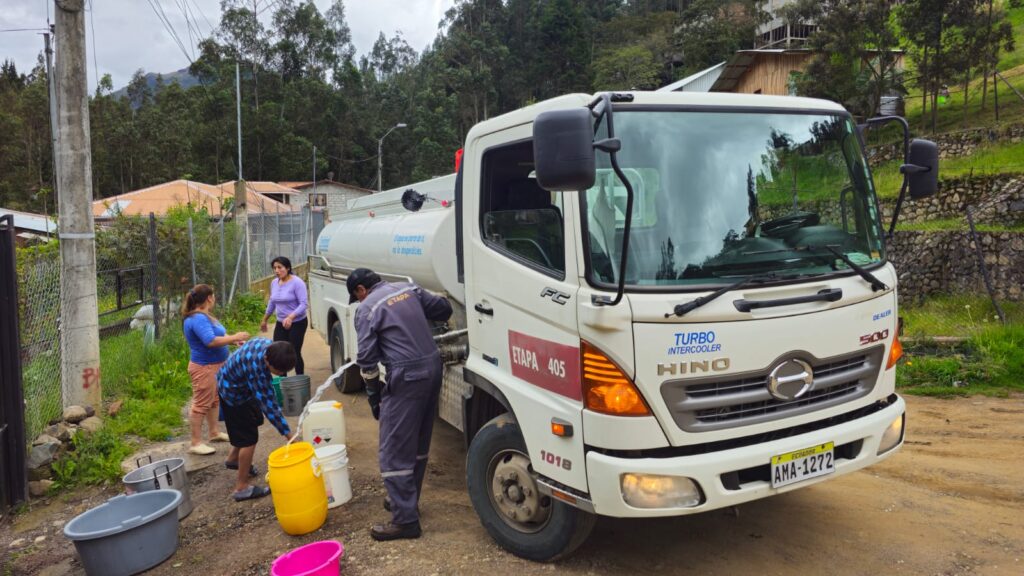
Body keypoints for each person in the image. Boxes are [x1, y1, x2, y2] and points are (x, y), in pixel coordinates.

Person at [348, 267, 453, 541]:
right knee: (417, 441)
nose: (359, 301)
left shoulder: (367, 308)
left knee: (393, 450)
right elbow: (443, 309)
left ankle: (405, 521)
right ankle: (408, 501)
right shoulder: (408, 288)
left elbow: (367, 361)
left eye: (356, 296)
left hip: (407, 376)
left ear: (361, 290)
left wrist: (373, 395)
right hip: (432, 366)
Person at [217, 338, 296, 501]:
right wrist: (290, 436)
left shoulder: (270, 347)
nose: (280, 374)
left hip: (239, 384)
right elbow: (270, 407)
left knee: (254, 421)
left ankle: (233, 459)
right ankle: (241, 487)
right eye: (278, 370)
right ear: (267, 360)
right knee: (249, 439)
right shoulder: (257, 368)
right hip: (233, 393)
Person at [182, 284, 249, 456]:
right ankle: (196, 443)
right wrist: (236, 337)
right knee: (201, 404)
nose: (215, 298)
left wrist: (232, 341)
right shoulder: (198, 318)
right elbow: (210, 341)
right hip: (205, 367)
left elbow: (218, 336)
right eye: (214, 295)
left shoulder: (205, 316)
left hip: (216, 365)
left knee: (214, 400)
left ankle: (214, 432)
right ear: (209, 298)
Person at [260, 256, 309, 375]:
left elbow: (303, 304)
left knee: (294, 351)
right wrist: (264, 320)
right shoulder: (274, 283)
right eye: (274, 268)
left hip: (298, 322)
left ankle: (300, 381)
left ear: (287, 268)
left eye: (279, 267)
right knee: (278, 353)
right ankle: (283, 382)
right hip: (281, 322)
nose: (276, 270)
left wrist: (291, 317)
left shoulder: (297, 283)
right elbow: (272, 302)